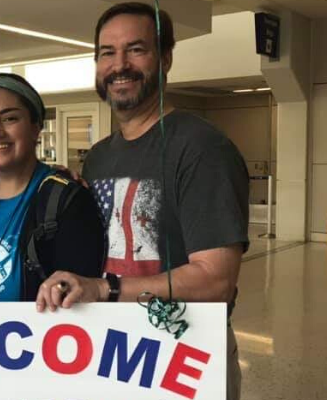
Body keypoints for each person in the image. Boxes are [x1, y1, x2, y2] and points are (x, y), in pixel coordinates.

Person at [35, 3, 249, 400]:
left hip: (184, 353)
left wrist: (107, 289)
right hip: (114, 349)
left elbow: (217, 280)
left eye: (136, 49)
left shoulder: (201, 148)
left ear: (165, 58)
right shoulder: (99, 156)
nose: (120, 65)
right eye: (107, 53)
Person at [0, 73, 105, 302]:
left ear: (36, 126)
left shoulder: (65, 201)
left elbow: (82, 301)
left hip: (29, 337)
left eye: (9, 119)